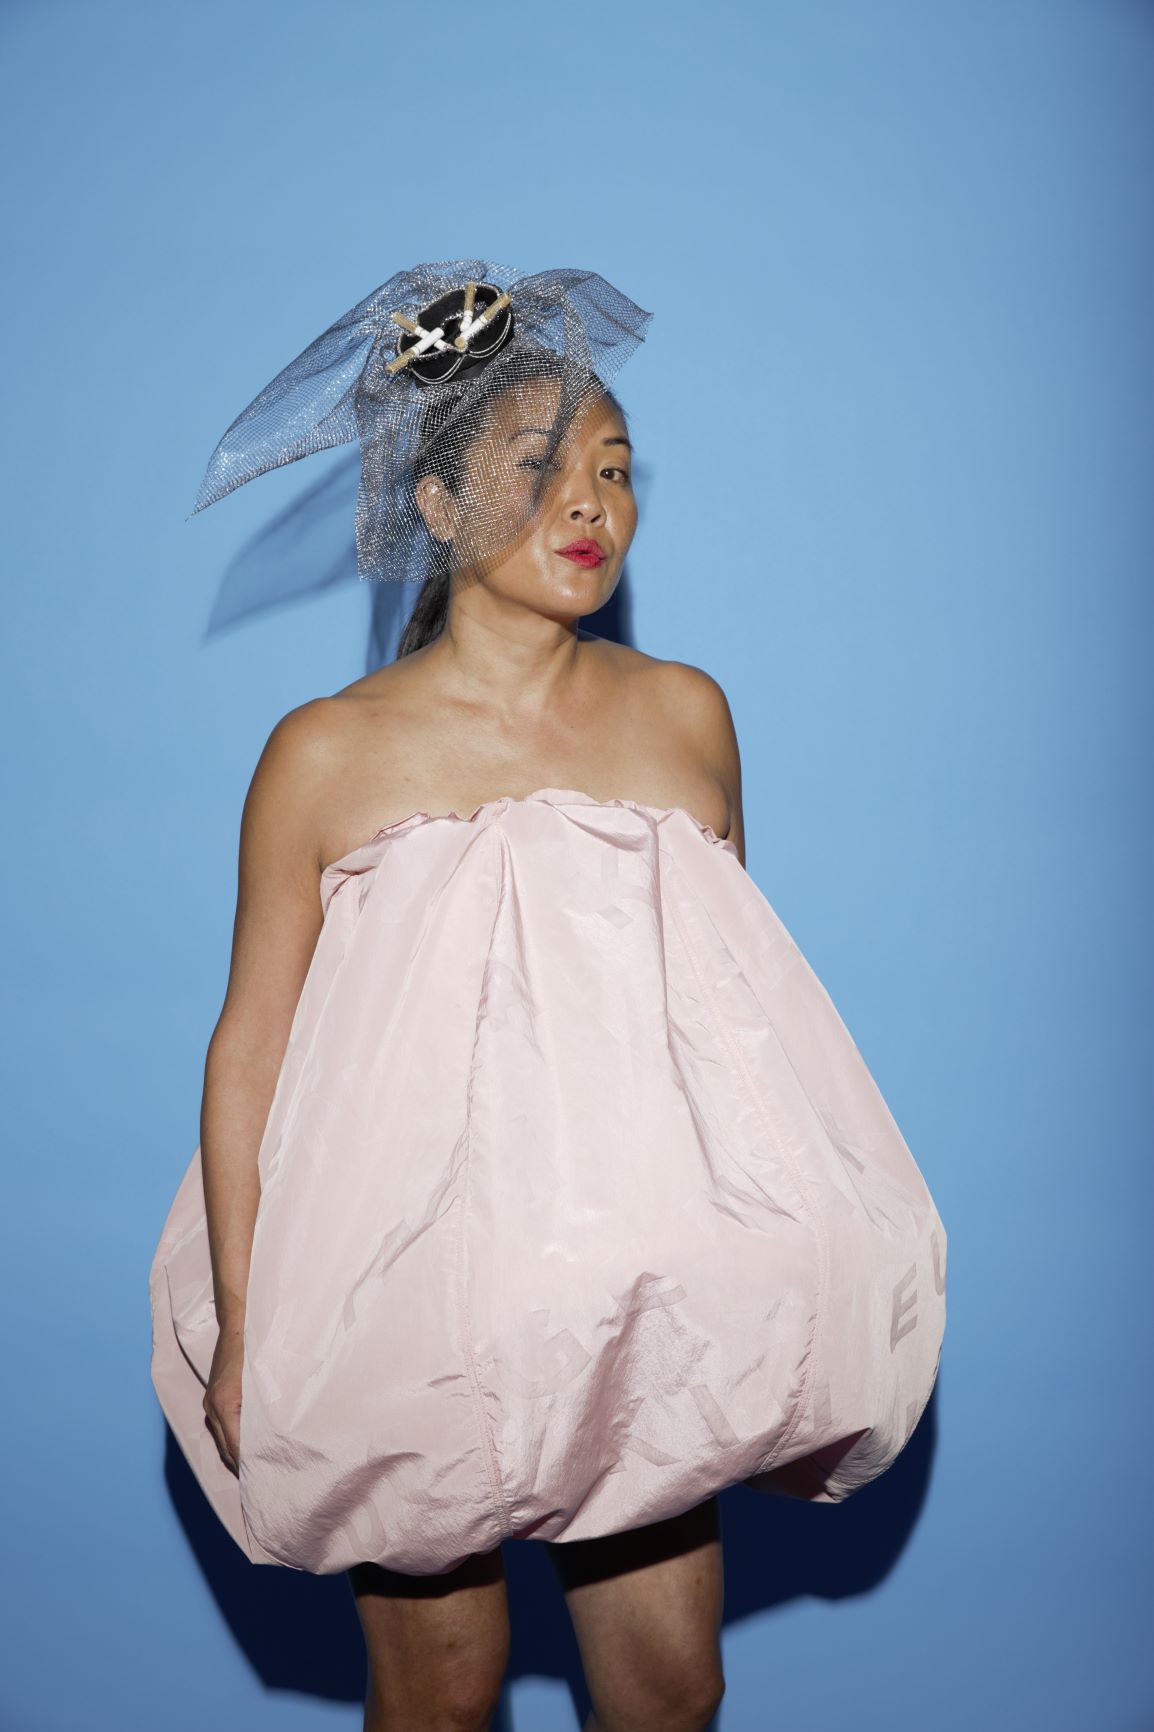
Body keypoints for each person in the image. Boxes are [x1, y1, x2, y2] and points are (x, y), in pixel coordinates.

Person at [149, 262, 947, 1732]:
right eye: (542, 470)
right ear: (436, 508)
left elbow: (731, 1031)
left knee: (669, 1690)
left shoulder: (682, 715)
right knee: (439, 1700)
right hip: (398, 1292)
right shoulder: (325, 753)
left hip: (636, 1307)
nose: (593, 506)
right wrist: (252, 1324)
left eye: (615, 473)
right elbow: (253, 1042)